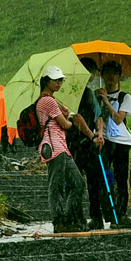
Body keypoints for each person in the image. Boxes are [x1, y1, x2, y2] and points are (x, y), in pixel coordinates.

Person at [34, 65, 89, 233]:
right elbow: (65, 125)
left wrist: (63, 114)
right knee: (57, 185)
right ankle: (60, 220)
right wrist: (69, 119)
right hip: (54, 146)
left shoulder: (48, 100)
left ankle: (69, 218)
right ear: (46, 81)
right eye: (55, 80)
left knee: (77, 183)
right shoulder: (48, 101)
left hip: (60, 147)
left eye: (60, 80)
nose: (59, 83)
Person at [70, 59, 109, 228]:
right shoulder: (72, 93)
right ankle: (77, 217)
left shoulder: (91, 94)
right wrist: (92, 135)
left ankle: (96, 217)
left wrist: (99, 133)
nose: (90, 76)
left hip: (89, 144)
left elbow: (98, 116)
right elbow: (75, 117)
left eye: (91, 73)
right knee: (76, 182)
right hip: (75, 143)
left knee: (94, 181)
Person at [100, 60, 131, 215]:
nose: (111, 77)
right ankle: (107, 212)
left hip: (120, 142)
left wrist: (106, 102)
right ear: (101, 75)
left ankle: (121, 213)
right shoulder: (97, 95)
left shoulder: (124, 97)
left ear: (120, 76)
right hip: (104, 140)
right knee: (104, 177)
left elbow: (119, 119)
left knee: (122, 178)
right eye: (107, 73)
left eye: (114, 74)